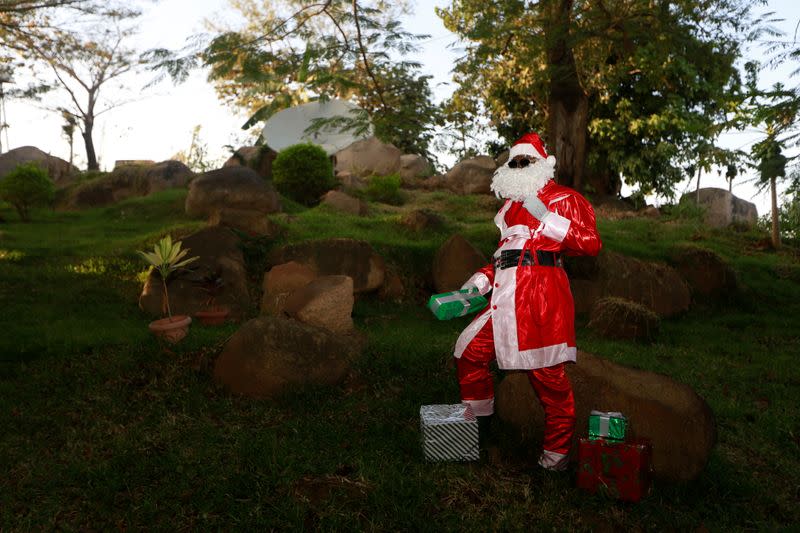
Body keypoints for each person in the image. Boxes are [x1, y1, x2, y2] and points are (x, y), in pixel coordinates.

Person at [454, 132, 602, 471]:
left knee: (549, 380)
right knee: (469, 353)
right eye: (514, 162)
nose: (519, 167)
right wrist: (479, 282)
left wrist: (548, 219)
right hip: (505, 298)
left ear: (542, 164)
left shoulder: (564, 198)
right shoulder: (508, 209)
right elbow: (504, 257)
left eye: (526, 161)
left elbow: (591, 244)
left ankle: (554, 460)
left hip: (540, 301)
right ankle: (480, 434)